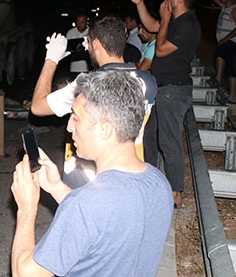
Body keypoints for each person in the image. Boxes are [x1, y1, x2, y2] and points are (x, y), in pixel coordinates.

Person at [11, 71, 174, 277]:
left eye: (76, 117)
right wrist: (56, 187)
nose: (69, 127)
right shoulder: (158, 184)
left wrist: (26, 209)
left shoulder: (85, 205)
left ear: (105, 129)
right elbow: (105, 223)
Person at [31, 15, 156, 179]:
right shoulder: (148, 81)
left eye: (89, 43)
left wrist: (51, 60)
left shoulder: (86, 86)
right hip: (132, 171)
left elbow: (37, 107)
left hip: (91, 179)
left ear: (95, 44)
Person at [129, 0, 201, 208]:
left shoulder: (187, 24)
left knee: (169, 143)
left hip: (173, 90)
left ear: (179, 0)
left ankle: (175, 193)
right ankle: (152, 184)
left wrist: (166, 20)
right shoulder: (177, 22)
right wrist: (140, 3)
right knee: (151, 138)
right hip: (163, 90)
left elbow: (159, 49)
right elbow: (152, 25)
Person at [212, 0, 236, 103]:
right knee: (230, 68)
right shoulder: (225, 7)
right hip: (226, 42)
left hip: (232, 42)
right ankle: (233, 97)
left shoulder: (235, 10)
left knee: (219, 53)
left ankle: (218, 78)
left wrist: (226, 39)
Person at [65, 13, 90, 77]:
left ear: (86, 22)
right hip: (74, 69)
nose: (79, 24)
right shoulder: (70, 32)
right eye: (78, 22)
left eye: (82, 22)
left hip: (88, 69)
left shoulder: (90, 32)